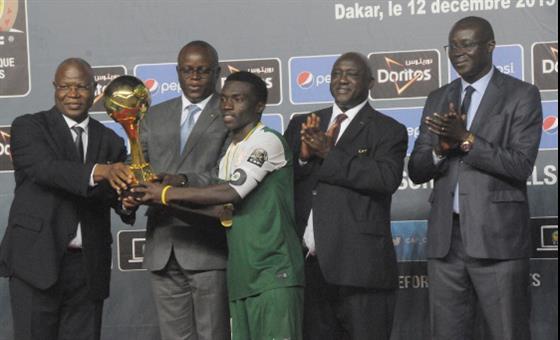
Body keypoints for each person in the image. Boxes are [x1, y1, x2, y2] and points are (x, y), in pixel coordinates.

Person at [135, 71, 305, 340]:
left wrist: (167, 194)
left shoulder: (266, 141)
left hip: (274, 273)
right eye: (224, 98)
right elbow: (219, 211)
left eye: (237, 99)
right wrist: (158, 197)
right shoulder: (232, 152)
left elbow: (231, 193)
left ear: (259, 105)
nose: (227, 105)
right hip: (243, 276)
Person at [408, 16, 543, 340]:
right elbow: (416, 170)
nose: (457, 52)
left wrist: (466, 139)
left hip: (497, 240)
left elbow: (520, 165)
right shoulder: (437, 98)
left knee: (508, 332)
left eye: (466, 44)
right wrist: (440, 151)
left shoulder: (521, 95)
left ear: (490, 47)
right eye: (452, 46)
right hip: (446, 243)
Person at [0, 58, 136, 340]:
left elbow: (112, 195)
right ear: (54, 88)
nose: (72, 94)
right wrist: (101, 171)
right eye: (65, 86)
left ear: (94, 89)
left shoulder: (111, 140)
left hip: (87, 269)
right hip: (35, 262)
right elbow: (46, 169)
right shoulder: (28, 127)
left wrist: (127, 200)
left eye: (81, 87)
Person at [283, 52, 408, 340]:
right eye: (337, 73)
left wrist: (329, 154)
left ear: (371, 82)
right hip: (308, 266)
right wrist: (302, 159)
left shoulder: (388, 129)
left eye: (351, 74)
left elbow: (385, 179)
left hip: (361, 269)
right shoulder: (302, 123)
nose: (341, 79)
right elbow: (280, 185)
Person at [138, 40, 230, 340]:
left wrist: (180, 181)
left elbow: (227, 177)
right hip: (162, 246)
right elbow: (139, 166)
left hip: (209, 246)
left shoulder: (231, 113)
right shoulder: (153, 115)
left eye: (202, 70)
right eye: (188, 70)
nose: (194, 77)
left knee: (213, 335)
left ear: (217, 73)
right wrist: (130, 189)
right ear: (177, 72)